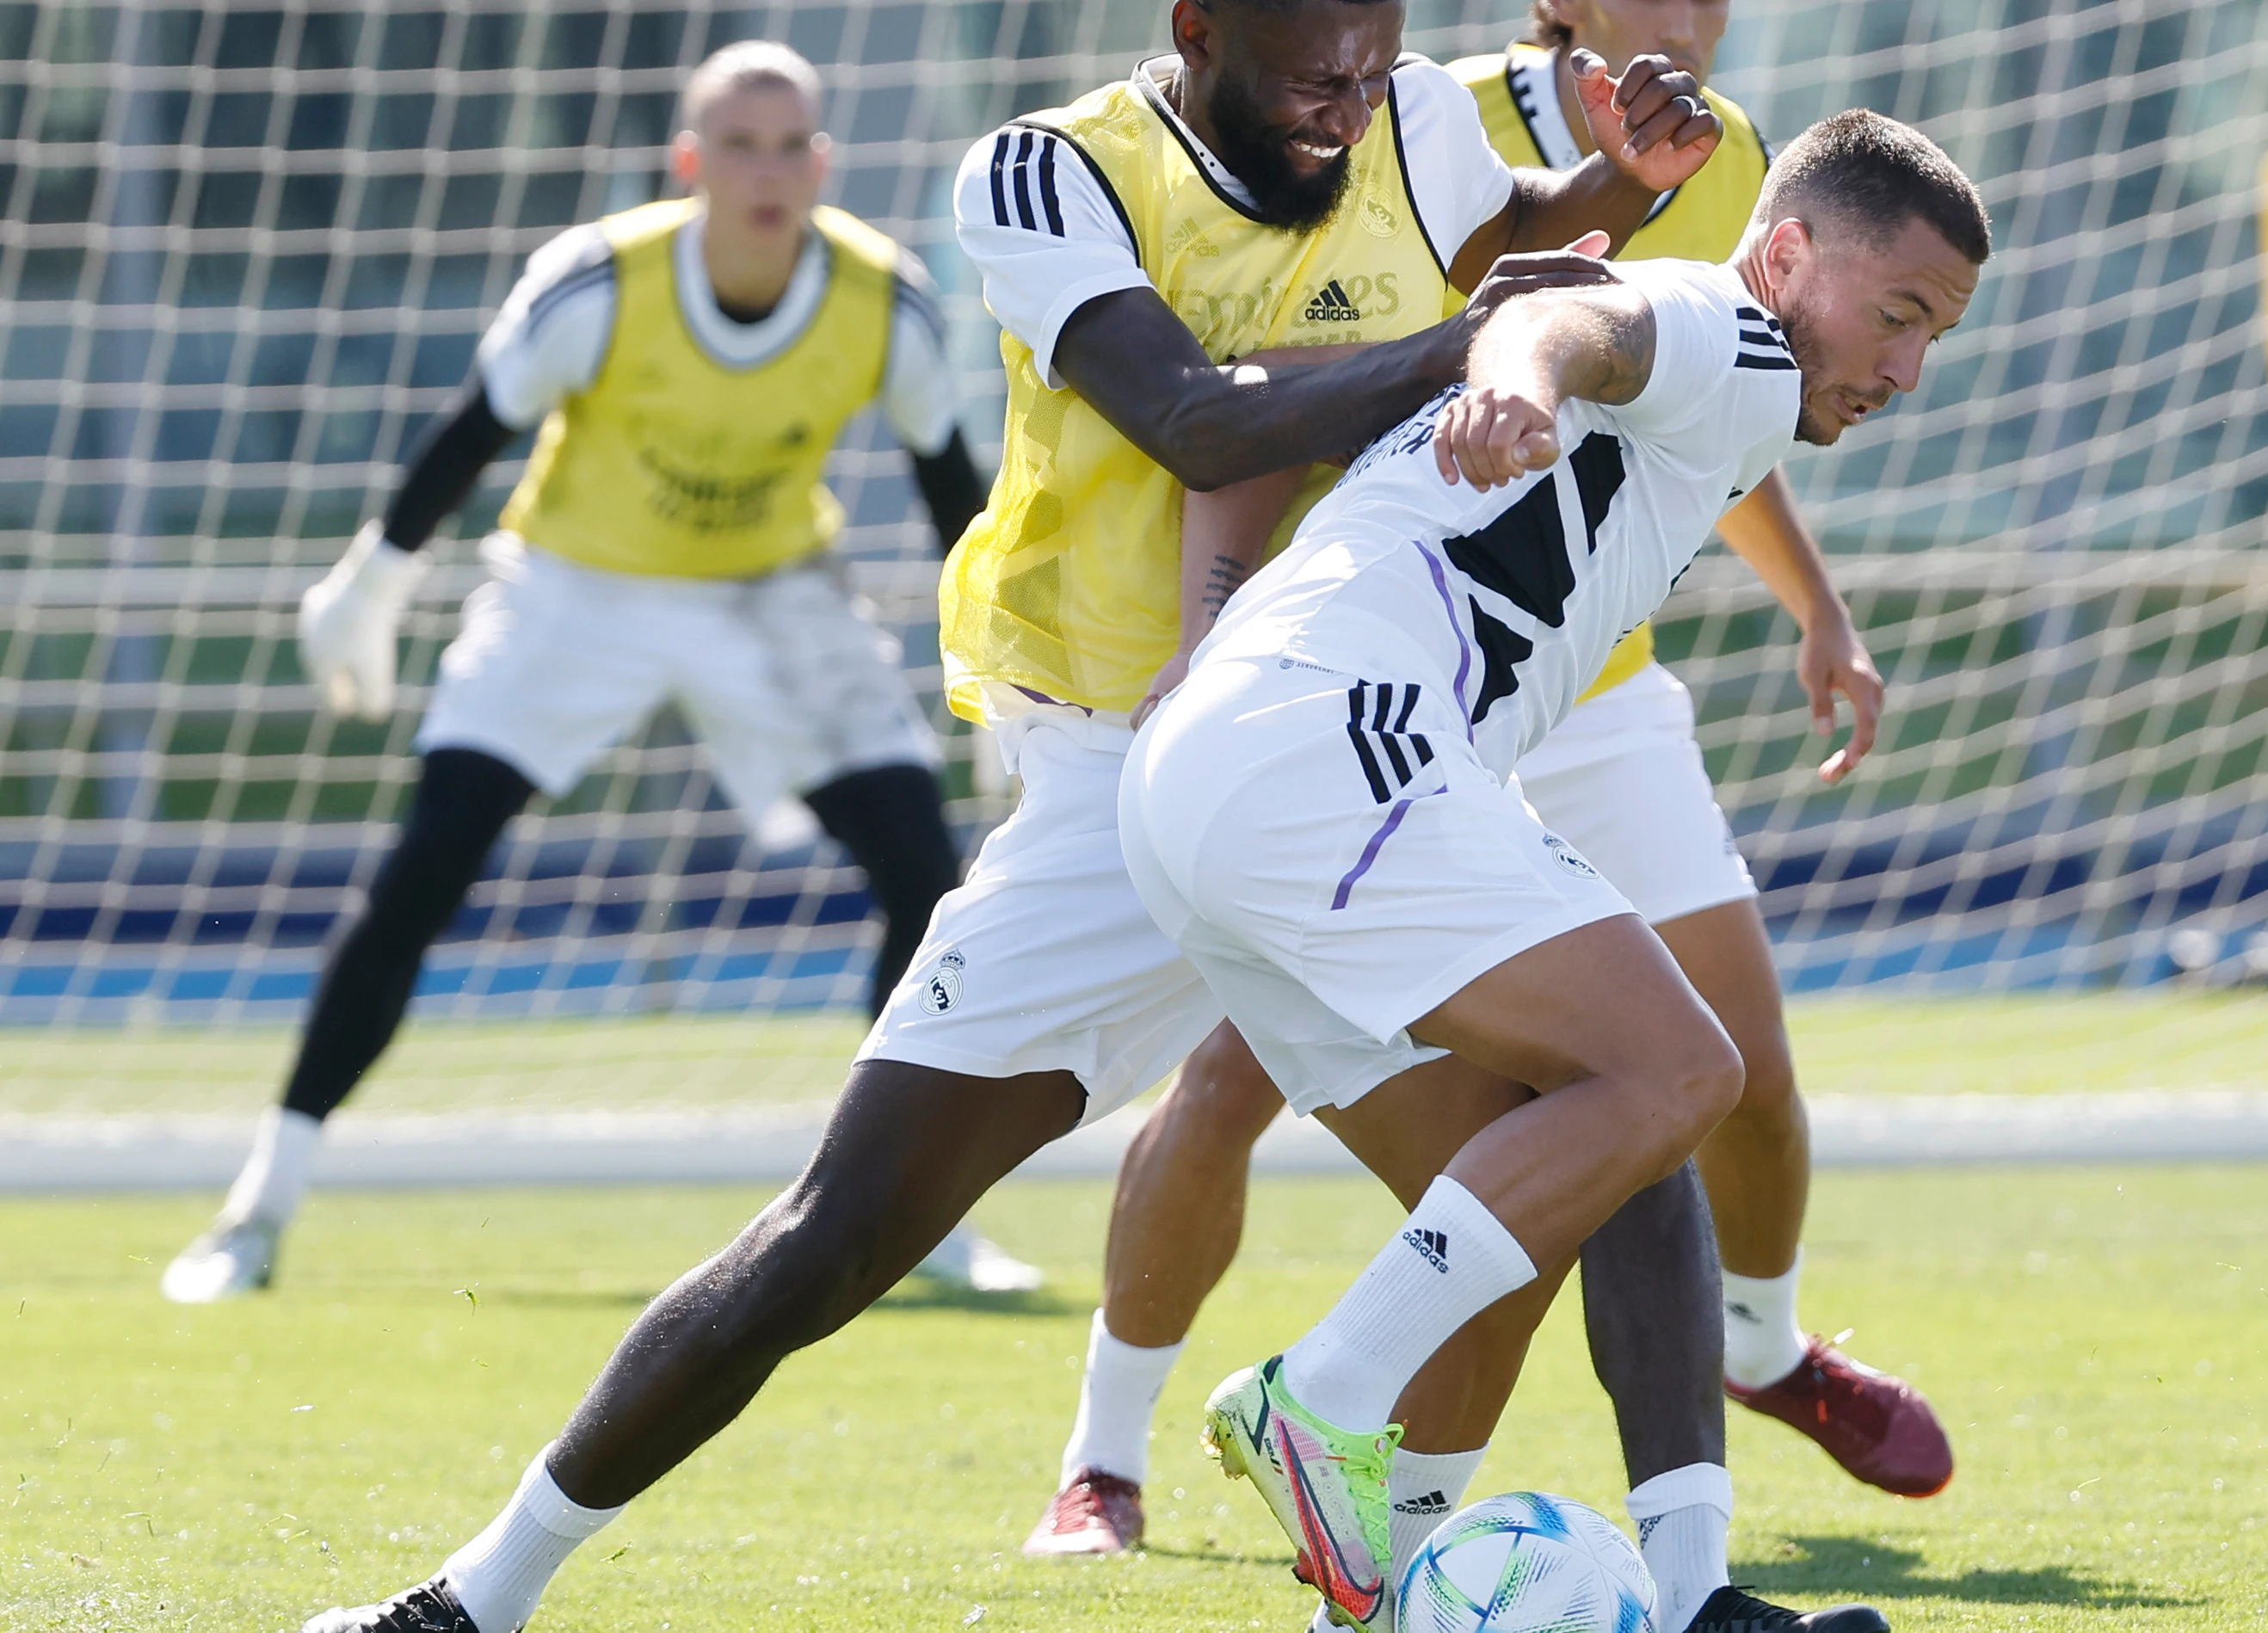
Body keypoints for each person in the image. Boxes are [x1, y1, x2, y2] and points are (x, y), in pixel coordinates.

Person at [294, 0, 1729, 1626]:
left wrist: (1614, 185)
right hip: (1128, 765)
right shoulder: (1048, 173)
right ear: (1197, 28)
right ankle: (475, 1597)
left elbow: (1505, 248)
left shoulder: (1415, 116)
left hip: (1354, 749)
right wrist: (1455, 348)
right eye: (1316, 64)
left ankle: (1677, 1594)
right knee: (841, 1235)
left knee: (1625, 1108)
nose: (1353, 96)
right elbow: (1195, 419)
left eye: (1377, 56)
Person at [1024, 0, 1946, 1576]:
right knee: (1681, 1069)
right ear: (1787, 262)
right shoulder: (1716, 321)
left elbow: (1344, 370)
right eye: (1901, 313)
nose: (1911, 368)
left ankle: (1564, 1586)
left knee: (1572, 1173)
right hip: (1336, 735)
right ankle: (1304, 1399)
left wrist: (1213, 627)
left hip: (1253, 762)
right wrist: (1511, 363)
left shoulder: (1721, 384)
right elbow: (1574, 325)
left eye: (1939, 334)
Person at [159, 40, 1043, 1309]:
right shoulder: (597, 280)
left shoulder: (881, 296)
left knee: (926, 875)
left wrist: (994, 662)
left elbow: (948, 487)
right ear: (687, 162)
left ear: (824, 164)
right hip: (574, 589)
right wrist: (370, 582)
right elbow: (474, 427)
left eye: (791, 145)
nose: (767, 171)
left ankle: (912, 1213)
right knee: (427, 867)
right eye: (739, 144)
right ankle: (256, 1211)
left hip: (772, 595)